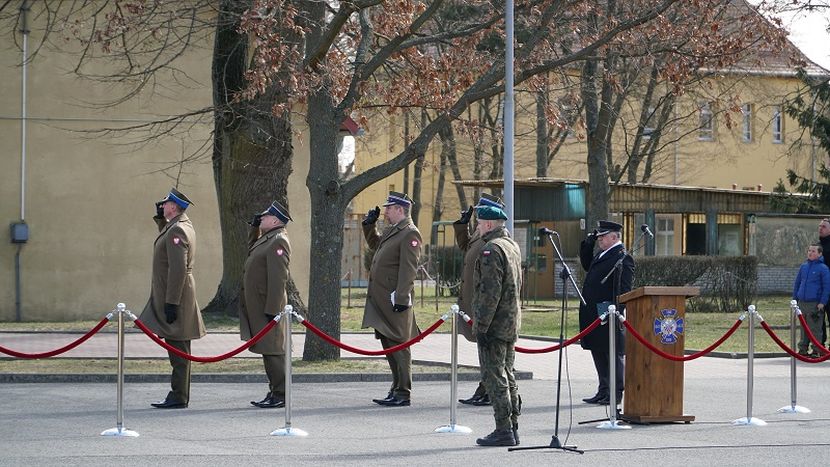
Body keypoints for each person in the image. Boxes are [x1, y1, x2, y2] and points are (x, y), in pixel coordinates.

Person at [139, 187, 206, 409]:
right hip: (177, 293)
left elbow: (178, 269)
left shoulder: (178, 230)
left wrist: (172, 302)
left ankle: (178, 395)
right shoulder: (178, 226)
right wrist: (161, 217)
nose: (162, 204)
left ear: (174, 207)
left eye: (166, 203)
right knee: (178, 348)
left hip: (177, 295)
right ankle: (179, 394)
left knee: (178, 349)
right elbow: (166, 240)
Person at [362, 191, 422, 407]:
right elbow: (376, 245)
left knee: (399, 345)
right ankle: (396, 388)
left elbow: (409, 270)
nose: (385, 212)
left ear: (399, 209)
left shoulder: (409, 233)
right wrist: (369, 226)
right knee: (389, 343)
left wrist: (401, 298)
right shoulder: (394, 230)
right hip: (384, 299)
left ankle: (403, 392)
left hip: (395, 300)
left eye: (389, 208)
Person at [471, 205, 523, 447]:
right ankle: (512, 426)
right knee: (508, 374)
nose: (478, 227)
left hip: (495, 324)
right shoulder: (511, 246)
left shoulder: (491, 250)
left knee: (494, 377)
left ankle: (503, 429)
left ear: (489, 224)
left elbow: (490, 292)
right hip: (510, 321)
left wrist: (481, 326)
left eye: (480, 223)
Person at [240, 200, 293, 408]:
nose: (261, 217)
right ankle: (274, 391)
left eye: (265, 216)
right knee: (267, 349)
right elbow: (251, 249)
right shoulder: (268, 238)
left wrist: (273, 309)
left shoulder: (278, 241)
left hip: (269, 305)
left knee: (273, 350)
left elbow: (279, 279)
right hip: (261, 303)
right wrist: (254, 228)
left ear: (276, 221)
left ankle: (280, 395)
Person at [454, 193, 505, 407]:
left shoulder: (494, 238)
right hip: (475, 296)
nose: (477, 217)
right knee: (483, 347)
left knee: (489, 349)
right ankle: (485, 388)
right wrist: (462, 226)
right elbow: (466, 247)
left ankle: (488, 390)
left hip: (485, 299)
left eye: (480, 213)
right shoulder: (480, 232)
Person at [578, 220, 634, 407]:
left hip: (608, 311)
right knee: (598, 350)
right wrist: (589, 242)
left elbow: (624, 289)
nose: (600, 239)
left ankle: (615, 392)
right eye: (599, 237)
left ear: (614, 237)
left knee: (612, 354)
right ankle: (603, 390)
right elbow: (586, 264)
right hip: (594, 312)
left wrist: (615, 311)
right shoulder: (603, 254)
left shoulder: (622, 257)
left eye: (603, 237)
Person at [793, 243, 830, 357]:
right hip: (802, 303)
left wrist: (822, 302)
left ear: (819, 254)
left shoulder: (823, 268)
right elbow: (797, 284)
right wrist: (795, 300)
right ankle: (803, 349)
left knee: (814, 328)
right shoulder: (803, 267)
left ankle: (816, 350)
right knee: (803, 328)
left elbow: (826, 287)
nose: (810, 253)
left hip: (815, 303)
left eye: (813, 251)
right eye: (809, 250)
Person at [818, 218, 830, 346]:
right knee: (818, 320)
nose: (820, 228)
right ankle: (820, 346)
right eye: (820, 226)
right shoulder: (817, 246)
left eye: (824, 226)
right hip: (818, 290)